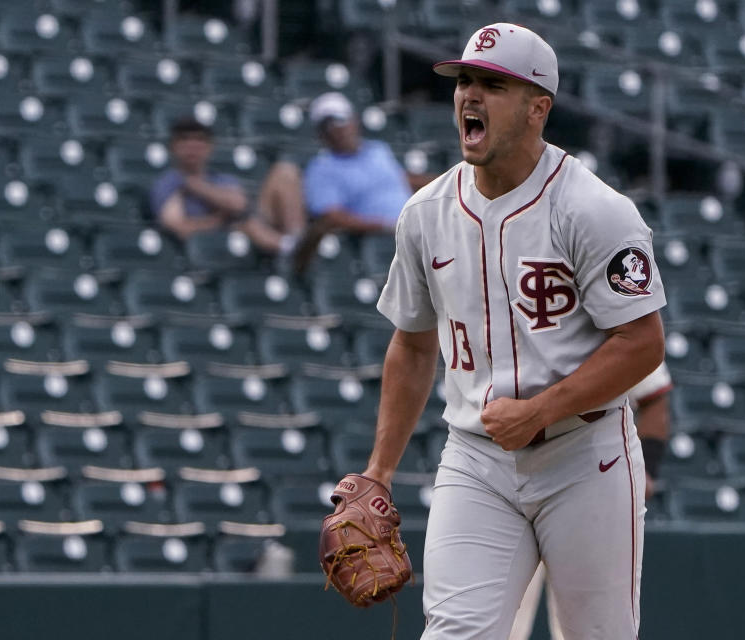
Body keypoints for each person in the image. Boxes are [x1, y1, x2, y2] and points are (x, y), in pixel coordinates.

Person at [360, 22, 667, 638]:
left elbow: (642, 344)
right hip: (475, 459)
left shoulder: (592, 209)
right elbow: (414, 346)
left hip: (587, 455)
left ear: (537, 108)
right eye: (464, 81)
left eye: (493, 85)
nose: (470, 96)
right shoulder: (425, 214)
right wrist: (379, 472)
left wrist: (541, 410)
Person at [509, 362, 674, 640]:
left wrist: (647, 470)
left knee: (589, 627)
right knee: (503, 626)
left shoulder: (604, 324)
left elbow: (654, 395)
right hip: (509, 484)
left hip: (588, 479)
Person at [247, 91, 430, 268]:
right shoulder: (322, 168)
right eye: (326, 125)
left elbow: (400, 178)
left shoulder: (378, 150)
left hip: (415, 229)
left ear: (354, 121)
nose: (336, 129)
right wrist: (383, 225)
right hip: (380, 240)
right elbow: (331, 216)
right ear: (320, 134)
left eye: (340, 120)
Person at [149, 117, 248, 241]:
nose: (192, 145)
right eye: (184, 139)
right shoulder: (165, 184)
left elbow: (238, 205)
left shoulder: (223, 179)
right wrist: (220, 220)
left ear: (210, 147)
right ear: (173, 146)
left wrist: (196, 186)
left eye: (200, 139)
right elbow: (181, 229)